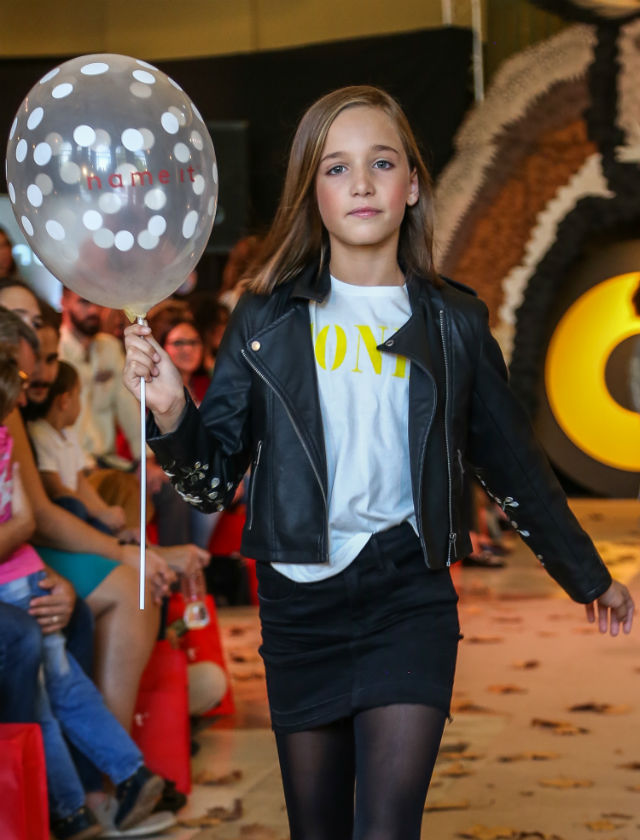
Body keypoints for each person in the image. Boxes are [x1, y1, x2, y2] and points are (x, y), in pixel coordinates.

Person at [123, 86, 634, 840]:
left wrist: (587, 574)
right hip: (301, 605)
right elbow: (212, 483)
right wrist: (172, 412)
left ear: (413, 185)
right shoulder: (266, 316)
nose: (361, 183)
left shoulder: (454, 322)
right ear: (314, 193)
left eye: (382, 163)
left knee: (389, 827)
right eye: (337, 168)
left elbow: (515, 467)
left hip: (408, 595)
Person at [0, 345, 164, 840]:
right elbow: (25, 518)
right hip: (31, 573)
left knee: (43, 700)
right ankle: (128, 774)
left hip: (11, 583)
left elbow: (31, 519)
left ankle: (72, 811)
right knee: (65, 686)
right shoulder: (7, 438)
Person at [28, 360, 126, 535]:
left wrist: (105, 511)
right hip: (62, 514)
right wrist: (97, 513)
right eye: (79, 394)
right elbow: (56, 489)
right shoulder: (40, 433)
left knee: (104, 523)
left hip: (79, 508)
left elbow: (80, 483)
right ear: (65, 401)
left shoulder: (69, 435)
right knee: (75, 508)